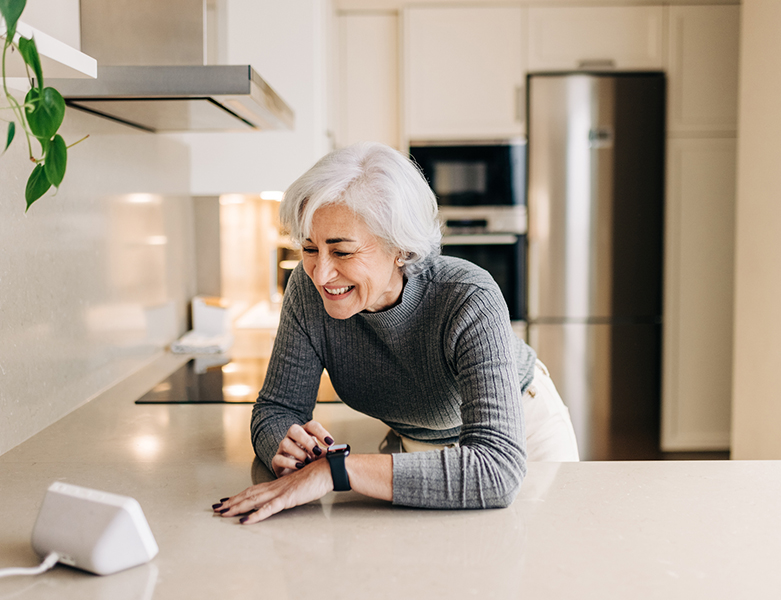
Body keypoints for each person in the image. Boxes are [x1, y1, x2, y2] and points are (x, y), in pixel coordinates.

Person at [212, 142, 579, 524]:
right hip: (419, 445)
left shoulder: (468, 297)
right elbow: (277, 408)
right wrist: (283, 444)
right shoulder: (307, 294)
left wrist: (336, 469)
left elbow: (496, 470)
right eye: (309, 248)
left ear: (399, 248)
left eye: (342, 252)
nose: (320, 274)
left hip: (523, 437)